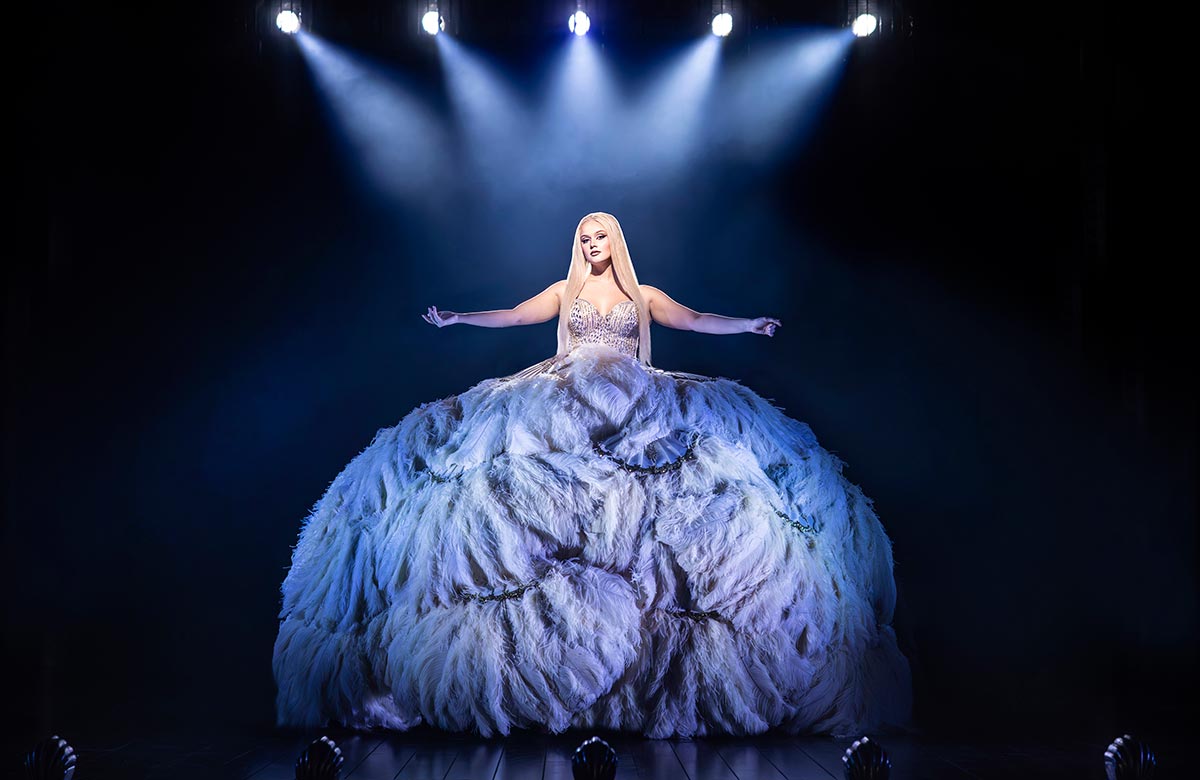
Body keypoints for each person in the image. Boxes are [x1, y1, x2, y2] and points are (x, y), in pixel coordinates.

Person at [273, 212, 911, 738]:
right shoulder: (566, 293)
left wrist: (747, 324)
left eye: (599, 235)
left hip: (637, 396)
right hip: (564, 390)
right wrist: (461, 319)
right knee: (524, 486)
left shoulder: (643, 297)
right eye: (583, 238)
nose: (590, 244)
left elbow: (691, 320)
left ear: (617, 242)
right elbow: (518, 317)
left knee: (674, 491)